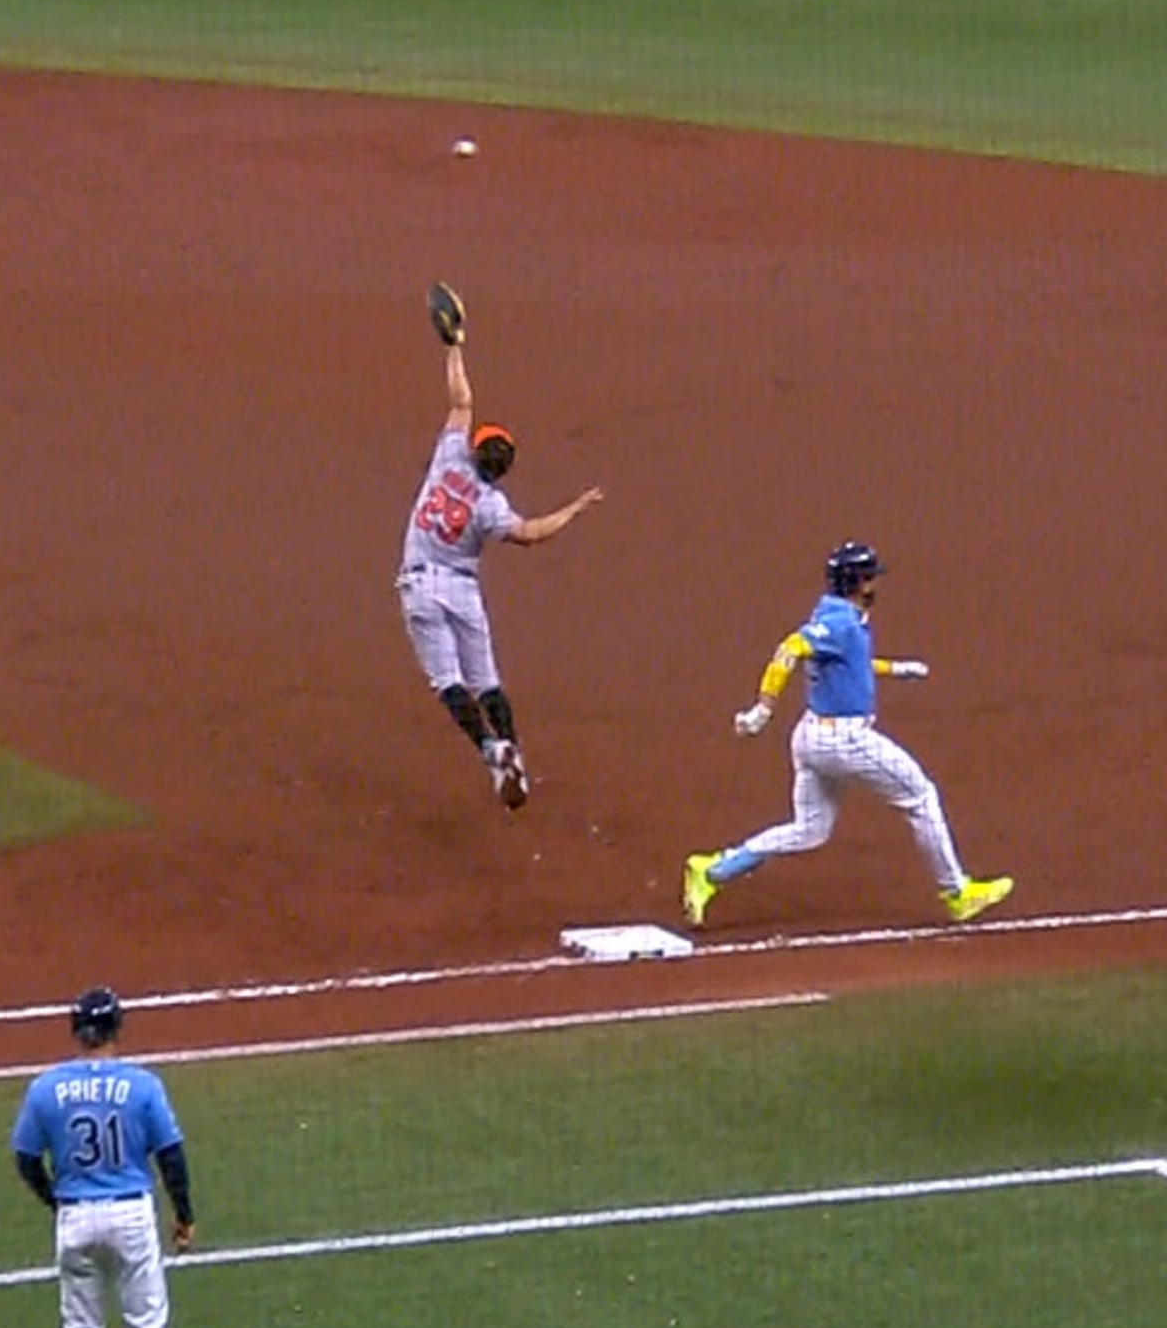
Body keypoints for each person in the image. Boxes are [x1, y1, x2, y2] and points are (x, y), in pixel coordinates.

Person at [684, 540, 1012, 928]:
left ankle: (712, 872)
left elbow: (848, 664)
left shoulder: (836, 615)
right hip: (844, 741)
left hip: (810, 736)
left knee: (809, 830)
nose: (876, 584)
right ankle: (957, 893)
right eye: (871, 577)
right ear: (859, 582)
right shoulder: (839, 622)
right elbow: (788, 650)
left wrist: (893, 669)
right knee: (921, 796)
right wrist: (763, 708)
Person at [394, 318, 603, 809]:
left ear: (474, 448)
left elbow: (461, 401)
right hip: (464, 590)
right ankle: (516, 757)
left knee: (448, 683)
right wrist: (574, 508)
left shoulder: (449, 457)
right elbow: (530, 534)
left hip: (421, 586)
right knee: (487, 680)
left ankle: (490, 750)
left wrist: (454, 347)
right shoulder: (491, 507)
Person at [11, 987, 194, 1328]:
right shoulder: (142, 1085)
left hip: (75, 1216)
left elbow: (25, 1158)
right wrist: (184, 1215)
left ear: (75, 1031)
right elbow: (171, 1155)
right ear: (117, 1029)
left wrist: (55, 1200)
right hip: (130, 1213)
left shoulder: (45, 1088)